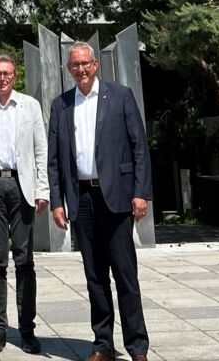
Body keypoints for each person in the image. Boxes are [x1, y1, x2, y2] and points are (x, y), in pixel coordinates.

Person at [47, 42, 153, 361]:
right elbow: (54, 161)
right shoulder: (61, 105)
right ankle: (102, 343)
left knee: (125, 275)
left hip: (117, 197)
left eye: (85, 64)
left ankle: (137, 347)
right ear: (68, 70)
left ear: (96, 65)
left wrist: (140, 192)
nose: (80, 69)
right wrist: (57, 201)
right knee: (95, 277)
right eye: (74, 65)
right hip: (82, 199)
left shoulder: (120, 96)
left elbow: (139, 148)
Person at [0, 54, 49, 354]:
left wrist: (43, 190)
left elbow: (40, 150)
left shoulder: (29, 106)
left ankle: (27, 330)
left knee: (25, 260)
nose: (2, 78)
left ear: (15, 76)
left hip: (22, 187)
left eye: (7, 73)